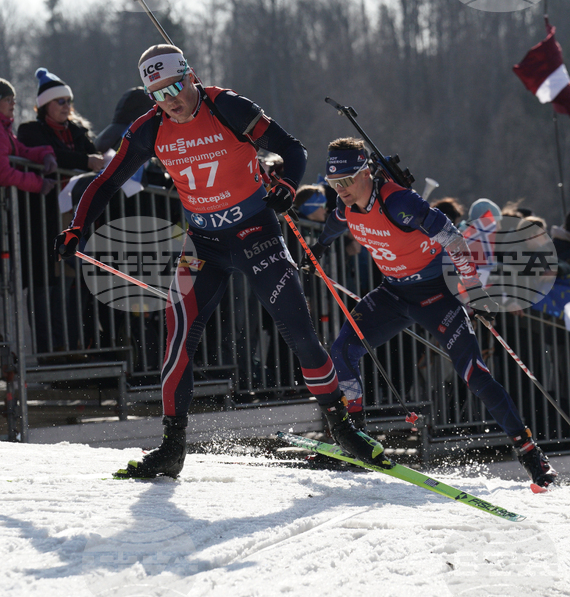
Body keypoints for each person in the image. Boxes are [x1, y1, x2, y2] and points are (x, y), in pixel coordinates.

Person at [55, 44, 380, 478]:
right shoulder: (149, 128)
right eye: (158, 94)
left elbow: (292, 148)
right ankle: (172, 447)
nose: (171, 100)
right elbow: (107, 181)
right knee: (178, 337)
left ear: (190, 75)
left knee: (300, 333)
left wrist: (286, 184)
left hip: (255, 234)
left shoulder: (226, 106)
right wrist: (77, 227)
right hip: (203, 244)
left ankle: (343, 429)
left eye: (175, 86)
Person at [308, 138, 557, 488]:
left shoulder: (399, 202)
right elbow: (336, 223)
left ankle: (531, 454)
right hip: (393, 294)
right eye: (335, 183)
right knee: (342, 350)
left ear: (366, 172)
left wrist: (473, 292)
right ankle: (355, 439)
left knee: (474, 373)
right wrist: (319, 247)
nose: (342, 189)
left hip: (437, 296)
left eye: (347, 180)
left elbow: (453, 239)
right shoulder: (345, 205)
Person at [17, 68, 104, 173]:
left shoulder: (78, 131)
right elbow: (52, 154)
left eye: (69, 101)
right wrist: (85, 161)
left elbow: (94, 156)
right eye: (61, 101)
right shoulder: (30, 130)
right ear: (46, 105)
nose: (66, 106)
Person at [0, 78, 57, 194]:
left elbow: (21, 150)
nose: (13, 103)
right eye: (7, 99)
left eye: (13, 99)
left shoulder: (5, 130)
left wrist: (45, 154)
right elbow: (3, 173)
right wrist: (38, 183)